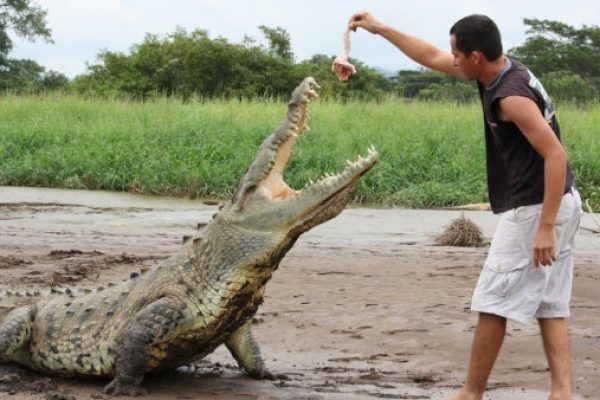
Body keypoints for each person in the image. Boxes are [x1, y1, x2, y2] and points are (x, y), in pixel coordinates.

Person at [348, 11, 582, 400]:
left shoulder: (510, 97)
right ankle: (562, 393)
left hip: (537, 206)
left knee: (492, 301)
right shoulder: (504, 69)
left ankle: (470, 393)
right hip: (562, 201)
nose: (451, 59)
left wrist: (545, 225)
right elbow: (431, 57)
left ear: (476, 56)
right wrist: (381, 28)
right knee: (551, 303)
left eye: (458, 54)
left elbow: (555, 155)